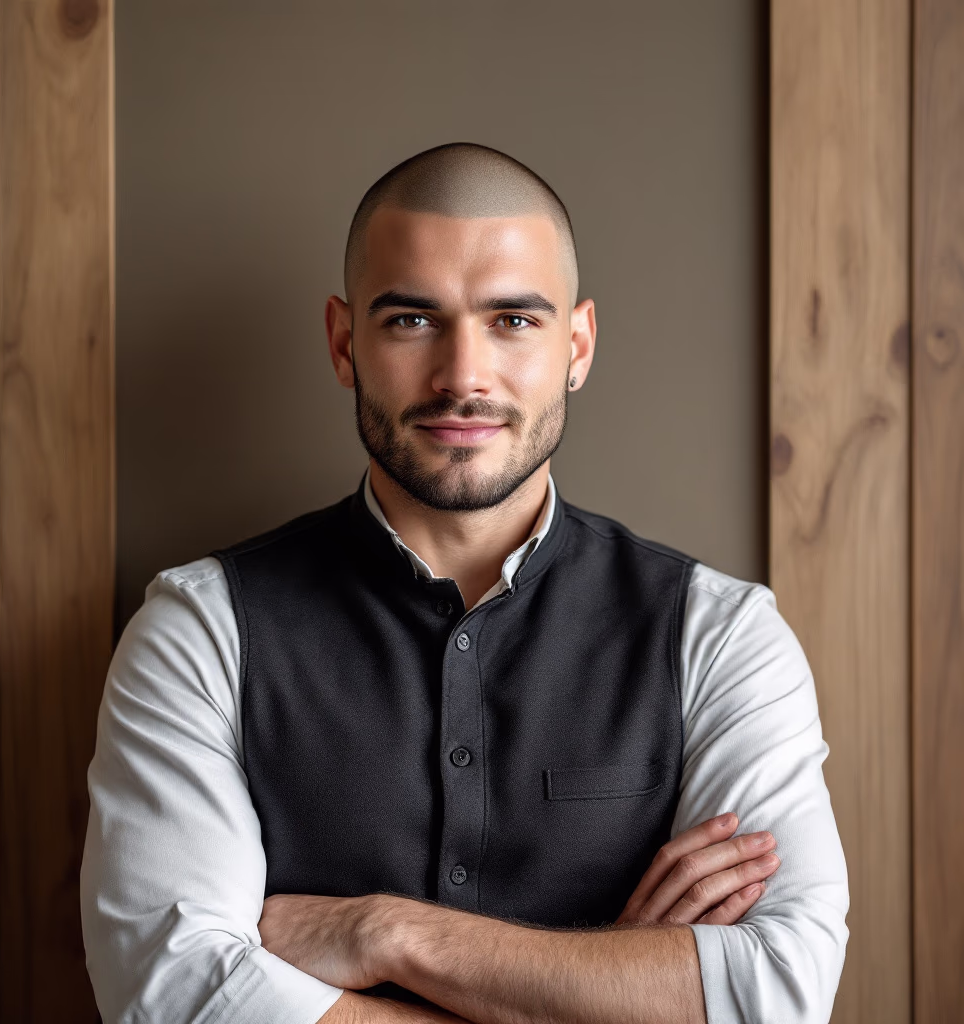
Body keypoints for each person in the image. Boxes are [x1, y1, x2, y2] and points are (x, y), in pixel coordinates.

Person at [81, 143, 849, 1024]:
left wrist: (388, 934)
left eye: (513, 321)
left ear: (578, 343)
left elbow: (780, 993)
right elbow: (172, 999)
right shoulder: (199, 631)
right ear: (343, 342)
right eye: (411, 320)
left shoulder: (721, 638)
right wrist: (614, 987)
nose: (463, 377)